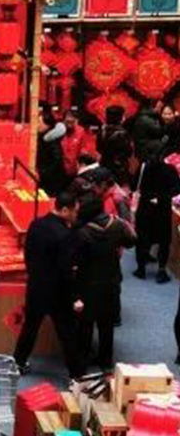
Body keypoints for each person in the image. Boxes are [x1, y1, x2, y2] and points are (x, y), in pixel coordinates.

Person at [13, 191, 85, 378]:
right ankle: (76, 374)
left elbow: (28, 256)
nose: (76, 215)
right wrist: (75, 297)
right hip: (58, 292)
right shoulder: (65, 235)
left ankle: (17, 363)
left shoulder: (35, 224)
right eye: (74, 211)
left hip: (36, 286)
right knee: (67, 333)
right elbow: (66, 270)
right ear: (64, 210)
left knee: (30, 327)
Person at [73, 194, 136, 371]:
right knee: (106, 324)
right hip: (111, 280)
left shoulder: (82, 232)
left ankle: (82, 360)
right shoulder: (116, 224)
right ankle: (105, 360)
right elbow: (131, 241)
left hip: (88, 284)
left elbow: (75, 259)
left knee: (85, 324)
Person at [133, 143, 180, 283]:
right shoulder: (170, 169)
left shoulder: (143, 168)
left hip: (145, 207)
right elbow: (177, 188)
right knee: (164, 240)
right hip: (162, 209)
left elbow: (134, 185)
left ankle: (141, 268)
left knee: (142, 237)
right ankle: (161, 270)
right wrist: (162, 197)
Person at [36, 109, 69, 195]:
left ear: (47, 125)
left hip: (52, 181)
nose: (37, 125)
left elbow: (57, 161)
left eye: (39, 122)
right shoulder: (41, 137)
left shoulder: (52, 141)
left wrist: (42, 173)